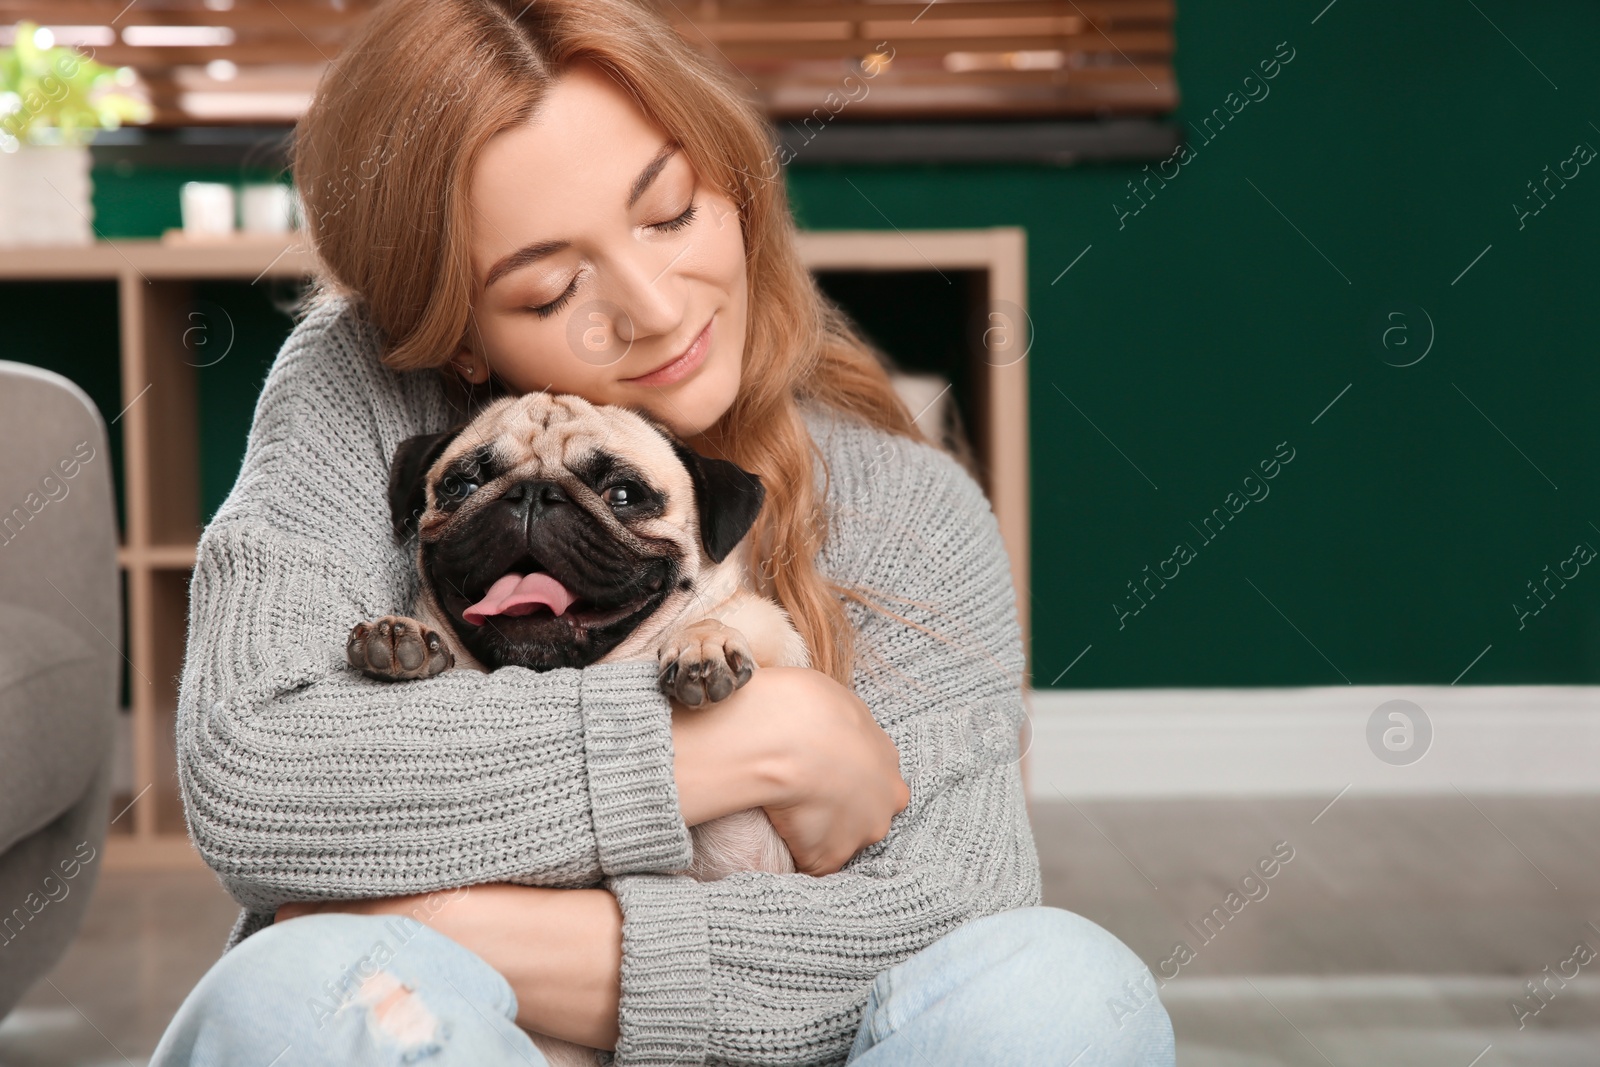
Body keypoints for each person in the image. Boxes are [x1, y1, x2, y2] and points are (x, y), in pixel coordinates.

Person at [150, 1, 1175, 1064]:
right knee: (294, 992)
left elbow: (948, 913)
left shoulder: (910, 503)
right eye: (551, 288)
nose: (650, 304)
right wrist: (757, 741)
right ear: (458, 341)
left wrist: (439, 915)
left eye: (671, 212)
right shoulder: (362, 395)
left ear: (730, 180)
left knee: (1064, 984)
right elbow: (254, 771)